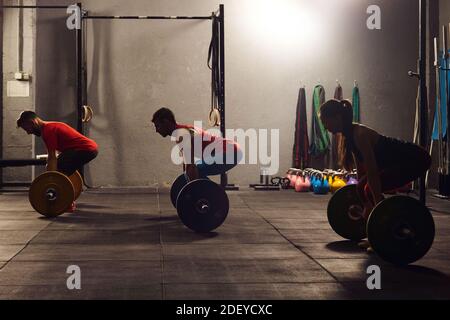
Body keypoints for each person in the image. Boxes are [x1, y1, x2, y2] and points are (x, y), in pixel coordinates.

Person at [320, 99, 431, 247]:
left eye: (326, 122)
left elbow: (372, 171)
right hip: (398, 163)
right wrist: (365, 203)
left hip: (415, 159)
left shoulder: (359, 134)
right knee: (363, 188)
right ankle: (376, 233)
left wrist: (377, 206)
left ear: (337, 117)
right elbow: (362, 172)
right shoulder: (349, 137)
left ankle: (383, 233)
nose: (325, 126)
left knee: (368, 190)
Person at [17, 111, 98, 212]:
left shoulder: (48, 130)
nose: (28, 132)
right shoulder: (49, 127)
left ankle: (67, 203)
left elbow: (52, 157)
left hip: (85, 149)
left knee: (58, 171)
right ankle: (67, 198)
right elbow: (54, 156)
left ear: (33, 122)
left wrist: (50, 180)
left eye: (27, 129)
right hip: (89, 149)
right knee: (59, 169)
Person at [151, 107, 242, 183]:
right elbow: (187, 163)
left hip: (229, 152)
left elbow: (190, 165)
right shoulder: (183, 129)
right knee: (192, 171)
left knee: (194, 171)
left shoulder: (181, 134)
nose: (156, 130)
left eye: (158, 126)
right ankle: (211, 194)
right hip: (233, 150)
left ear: (166, 122)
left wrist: (191, 188)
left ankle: (213, 196)